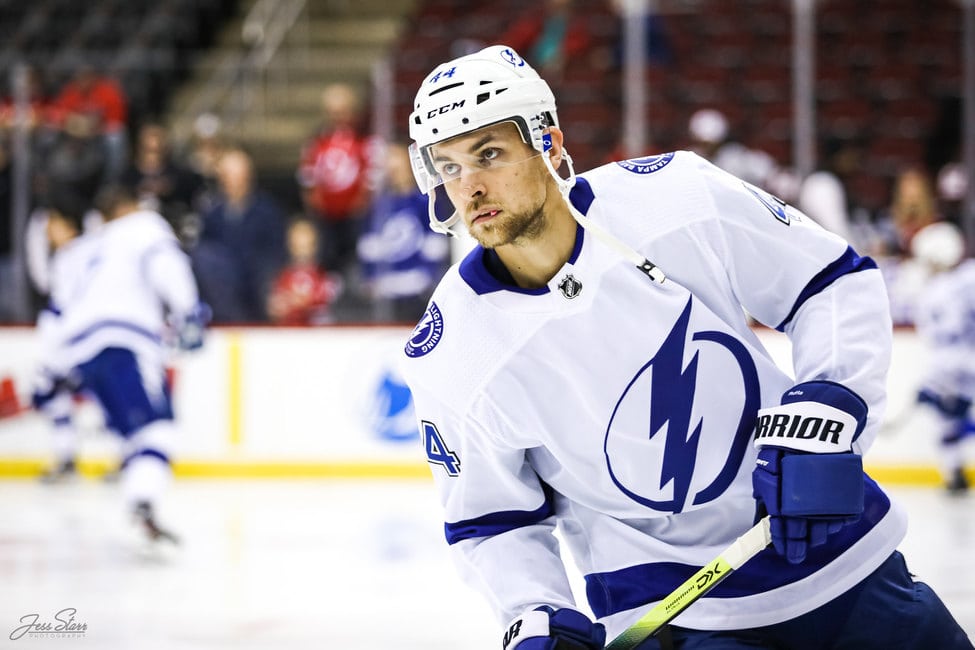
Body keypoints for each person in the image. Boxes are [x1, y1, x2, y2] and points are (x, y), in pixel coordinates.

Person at [400, 45, 973, 649]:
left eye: (488, 154)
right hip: (680, 619)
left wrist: (829, 404)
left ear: (549, 142)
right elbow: (489, 520)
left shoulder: (673, 196)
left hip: (838, 558)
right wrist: (533, 610)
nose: (469, 186)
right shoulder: (450, 353)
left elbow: (830, 281)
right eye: (449, 166)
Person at [50, 182, 209, 546]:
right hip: (124, 340)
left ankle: (140, 501)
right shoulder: (143, 226)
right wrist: (189, 314)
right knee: (159, 429)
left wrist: (58, 366)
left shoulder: (88, 245)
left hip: (82, 350)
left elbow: (61, 306)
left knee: (133, 435)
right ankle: (143, 502)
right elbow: (168, 265)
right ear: (129, 206)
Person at [908, 221, 975, 495]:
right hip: (964, 361)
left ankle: (954, 473)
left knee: (948, 419)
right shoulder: (969, 276)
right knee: (950, 419)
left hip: (950, 367)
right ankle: (955, 473)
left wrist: (931, 385)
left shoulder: (928, 293)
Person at [357, 142, 450, 323]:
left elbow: (436, 246)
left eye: (397, 159)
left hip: (419, 293)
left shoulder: (426, 201)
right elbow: (368, 247)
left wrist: (428, 278)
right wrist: (370, 277)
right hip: (385, 295)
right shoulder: (378, 206)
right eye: (389, 160)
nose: (393, 167)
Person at [297, 82, 377, 277]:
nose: (338, 117)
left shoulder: (364, 139)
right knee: (326, 256)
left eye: (342, 111)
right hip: (326, 216)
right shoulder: (317, 140)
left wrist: (364, 199)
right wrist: (313, 200)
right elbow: (308, 174)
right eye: (333, 112)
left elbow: (373, 173)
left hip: (357, 215)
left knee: (357, 256)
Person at [266, 217, 342, 326]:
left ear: (315, 246)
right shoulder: (281, 277)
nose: (302, 252)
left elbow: (329, 307)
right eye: (297, 246)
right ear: (289, 245)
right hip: (288, 336)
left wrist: (306, 303)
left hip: (318, 338)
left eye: (307, 245)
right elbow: (274, 308)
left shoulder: (326, 278)